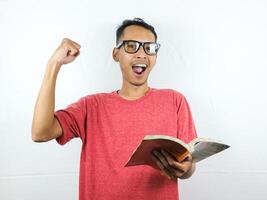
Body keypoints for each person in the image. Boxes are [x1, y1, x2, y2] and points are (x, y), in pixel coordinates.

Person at [31, 18, 197, 200]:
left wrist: (187, 169)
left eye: (149, 47)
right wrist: (53, 64)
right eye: (131, 46)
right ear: (115, 54)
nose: (142, 54)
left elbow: (189, 164)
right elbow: (40, 132)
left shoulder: (174, 101)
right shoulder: (90, 106)